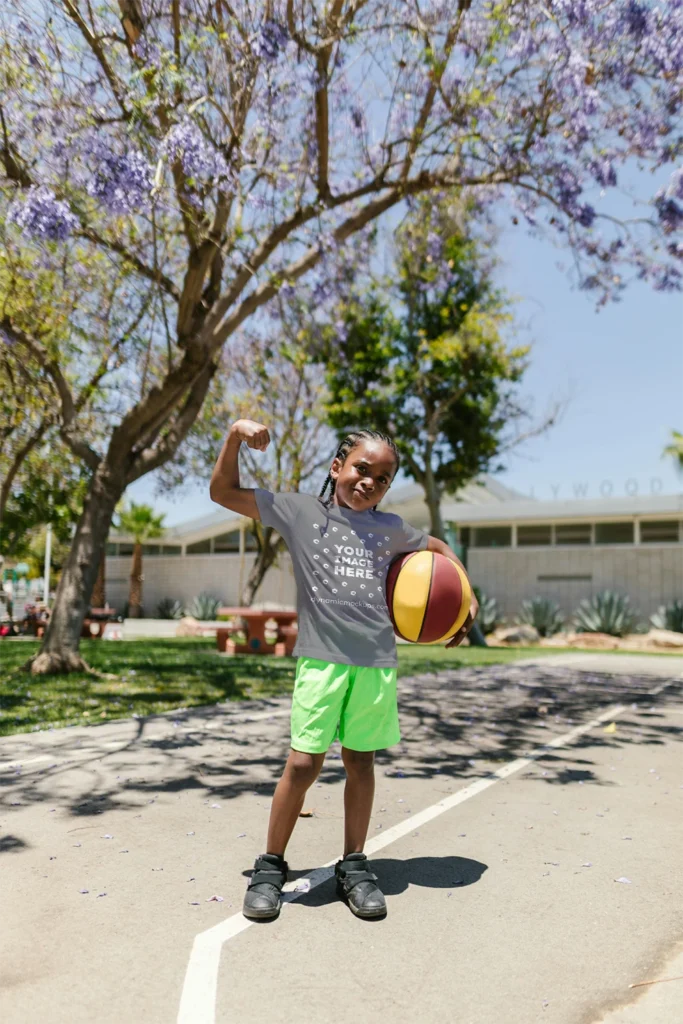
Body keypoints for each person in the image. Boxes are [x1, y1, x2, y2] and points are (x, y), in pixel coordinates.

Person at [209, 418, 478, 920]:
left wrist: (465, 598)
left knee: (360, 762)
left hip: (375, 664)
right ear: (337, 467)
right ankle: (271, 865)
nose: (370, 482)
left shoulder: (393, 529)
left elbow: (439, 550)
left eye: (382, 478)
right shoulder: (300, 512)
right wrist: (234, 437)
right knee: (303, 764)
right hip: (321, 662)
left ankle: (353, 865)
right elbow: (222, 491)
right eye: (361, 469)